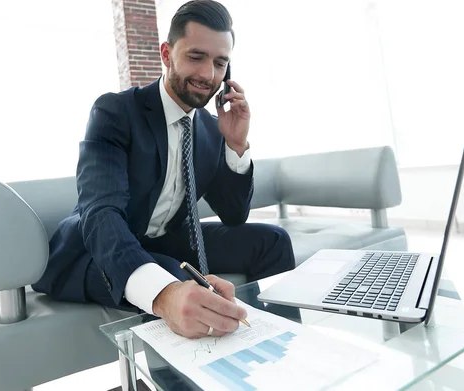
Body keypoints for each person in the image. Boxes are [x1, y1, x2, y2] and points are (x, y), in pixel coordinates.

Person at [32, 0, 295, 339]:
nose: (208, 75)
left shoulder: (213, 130)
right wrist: (166, 293)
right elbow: (101, 213)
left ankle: (283, 341)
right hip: (98, 247)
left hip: (168, 241)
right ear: (167, 54)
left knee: (273, 240)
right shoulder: (115, 112)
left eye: (219, 63)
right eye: (195, 57)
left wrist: (235, 145)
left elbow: (233, 215)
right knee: (173, 277)